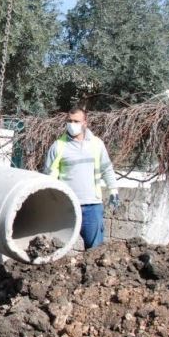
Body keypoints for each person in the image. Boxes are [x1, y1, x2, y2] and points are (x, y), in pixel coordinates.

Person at [44, 107, 119, 249]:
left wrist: (113, 190)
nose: (72, 124)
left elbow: (106, 169)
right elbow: (48, 177)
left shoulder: (97, 144)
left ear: (85, 122)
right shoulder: (58, 146)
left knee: (95, 250)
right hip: (66, 206)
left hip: (92, 206)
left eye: (76, 121)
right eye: (69, 121)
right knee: (57, 248)